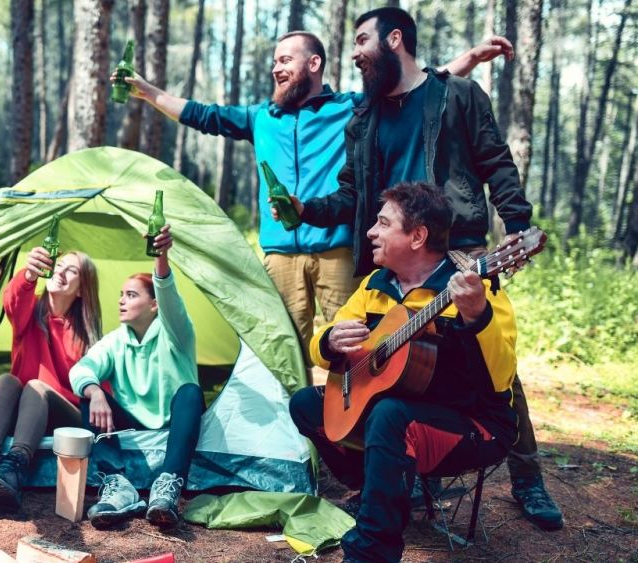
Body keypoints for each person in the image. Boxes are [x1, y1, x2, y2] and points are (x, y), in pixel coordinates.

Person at [294, 7, 562, 530]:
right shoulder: (365, 118)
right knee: (383, 359)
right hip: (389, 255)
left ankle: (527, 476)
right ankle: (400, 480)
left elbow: (495, 160)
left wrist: (515, 222)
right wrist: (309, 210)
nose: (353, 53)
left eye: (362, 39)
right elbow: (353, 194)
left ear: (395, 39)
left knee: (483, 363)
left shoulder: (456, 95)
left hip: (455, 246)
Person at [120, 31, 511, 387]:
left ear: (314, 64)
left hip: (335, 251)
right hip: (279, 258)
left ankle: (355, 428)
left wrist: (470, 58)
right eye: (275, 61)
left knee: (361, 343)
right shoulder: (261, 117)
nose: (276, 68)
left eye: (285, 60)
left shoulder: (350, 109)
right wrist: (146, 91)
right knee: (280, 353)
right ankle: (295, 441)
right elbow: (201, 114)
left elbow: (420, 86)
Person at [290, 182, 517, 561]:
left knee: (389, 414)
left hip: (475, 423)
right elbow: (321, 350)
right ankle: (376, 490)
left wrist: (477, 316)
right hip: (397, 414)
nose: (370, 232)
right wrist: (329, 342)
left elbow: (501, 377)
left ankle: (371, 551)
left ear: (417, 236)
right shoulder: (374, 286)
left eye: (382, 223)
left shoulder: (476, 288)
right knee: (306, 404)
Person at [69, 224, 203, 530]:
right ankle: (118, 484)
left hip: (175, 419)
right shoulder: (117, 340)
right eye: (121, 295)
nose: (121, 301)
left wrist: (161, 257)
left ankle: (167, 486)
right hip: (132, 421)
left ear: (154, 305)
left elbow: (169, 296)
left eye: (131, 295)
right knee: (87, 393)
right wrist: (96, 391)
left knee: (190, 392)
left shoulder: (176, 333)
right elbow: (82, 368)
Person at [0, 247, 102, 510]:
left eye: (72, 270)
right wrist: (29, 275)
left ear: (81, 289)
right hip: (26, 413)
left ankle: (15, 469)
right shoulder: (31, 312)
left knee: (35, 386)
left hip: (66, 416)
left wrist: (98, 394)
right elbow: (13, 301)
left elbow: (98, 381)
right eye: (60, 264)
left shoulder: (85, 333)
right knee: (8, 380)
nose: (61, 271)